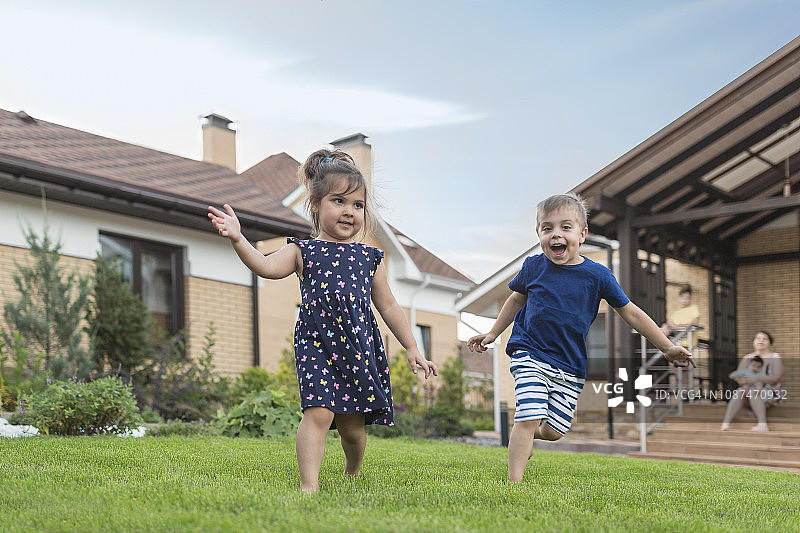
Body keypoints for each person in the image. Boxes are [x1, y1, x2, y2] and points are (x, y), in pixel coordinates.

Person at [208, 149, 437, 492]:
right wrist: (239, 239)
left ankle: (352, 471)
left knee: (352, 429)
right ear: (315, 204)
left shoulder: (370, 258)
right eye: (339, 201)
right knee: (318, 412)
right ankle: (309, 486)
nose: (349, 211)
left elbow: (389, 306)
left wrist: (412, 347)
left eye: (357, 205)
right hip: (317, 344)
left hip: (357, 348)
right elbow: (265, 267)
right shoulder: (302, 251)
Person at [467, 193, 695, 484]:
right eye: (547, 228)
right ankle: (514, 484)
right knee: (528, 416)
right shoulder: (534, 267)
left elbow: (632, 313)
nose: (555, 234)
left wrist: (667, 347)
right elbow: (515, 300)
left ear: (582, 234)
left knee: (554, 431)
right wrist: (493, 333)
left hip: (570, 365)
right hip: (530, 353)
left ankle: (526, 436)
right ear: (538, 234)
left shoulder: (597, 276)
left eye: (565, 227)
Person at [720, 330, 784, 432]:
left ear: (770, 343)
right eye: (758, 338)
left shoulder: (775, 357)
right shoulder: (747, 358)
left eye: (764, 339)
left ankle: (763, 425)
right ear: (754, 341)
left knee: (753, 392)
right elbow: (740, 378)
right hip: (749, 389)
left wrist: (756, 379)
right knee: (739, 392)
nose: (761, 341)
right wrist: (746, 381)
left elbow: (775, 378)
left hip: (770, 391)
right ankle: (726, 423)